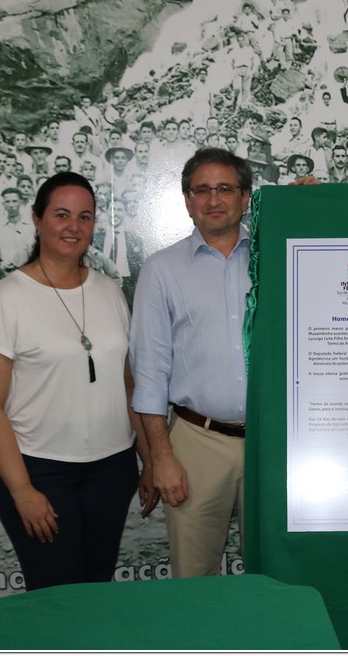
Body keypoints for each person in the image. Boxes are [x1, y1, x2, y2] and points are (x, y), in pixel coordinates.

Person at [0, 172, 157, 591]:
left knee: (96, 586)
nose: (74, 226)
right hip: (40, 471)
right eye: (61, 214)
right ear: (37, 220)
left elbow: (129, 385)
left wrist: (149, 460)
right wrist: (21, 490)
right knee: (54, 596)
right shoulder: (6, 298)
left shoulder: (110, 292)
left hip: (112, 469)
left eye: (85, 216)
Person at [129, 148, 252, 578]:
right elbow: (149, 373)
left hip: (272, 444)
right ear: (187, 200)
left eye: (225, 188)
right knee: (194, 582)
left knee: (275, 576)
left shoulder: (277, 257)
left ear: (246, 197)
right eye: (202, 190)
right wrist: (160, 458)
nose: (213, 199)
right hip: (197, 442)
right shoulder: (161, 270)